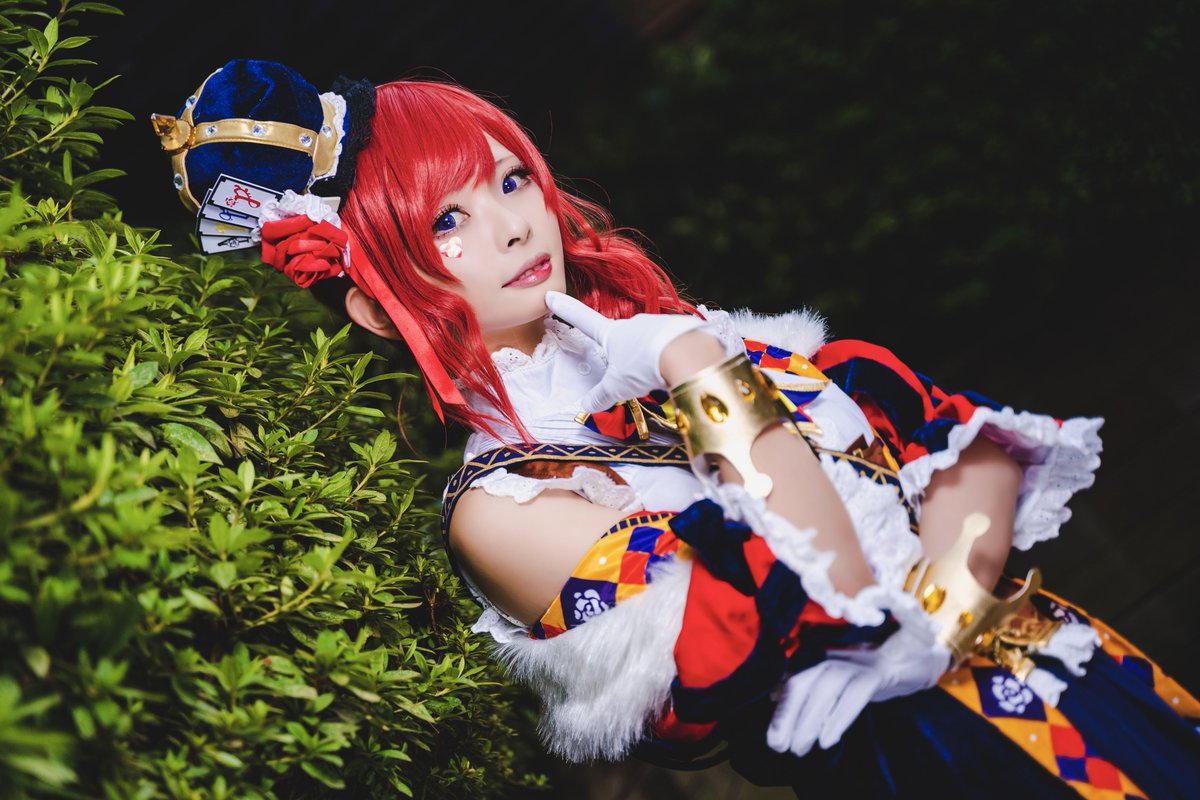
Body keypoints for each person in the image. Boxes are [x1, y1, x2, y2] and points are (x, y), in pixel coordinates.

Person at [152, 59, 1200, 797]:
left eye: (510, 177)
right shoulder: (504, 506)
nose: (514, 223)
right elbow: (827, 589)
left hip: (1071, 677)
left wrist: (943, 613)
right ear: (377, 303)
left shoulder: (673, 336)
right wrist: (700, 374)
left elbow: (963, 451)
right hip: (931, 766)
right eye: (449, 219)